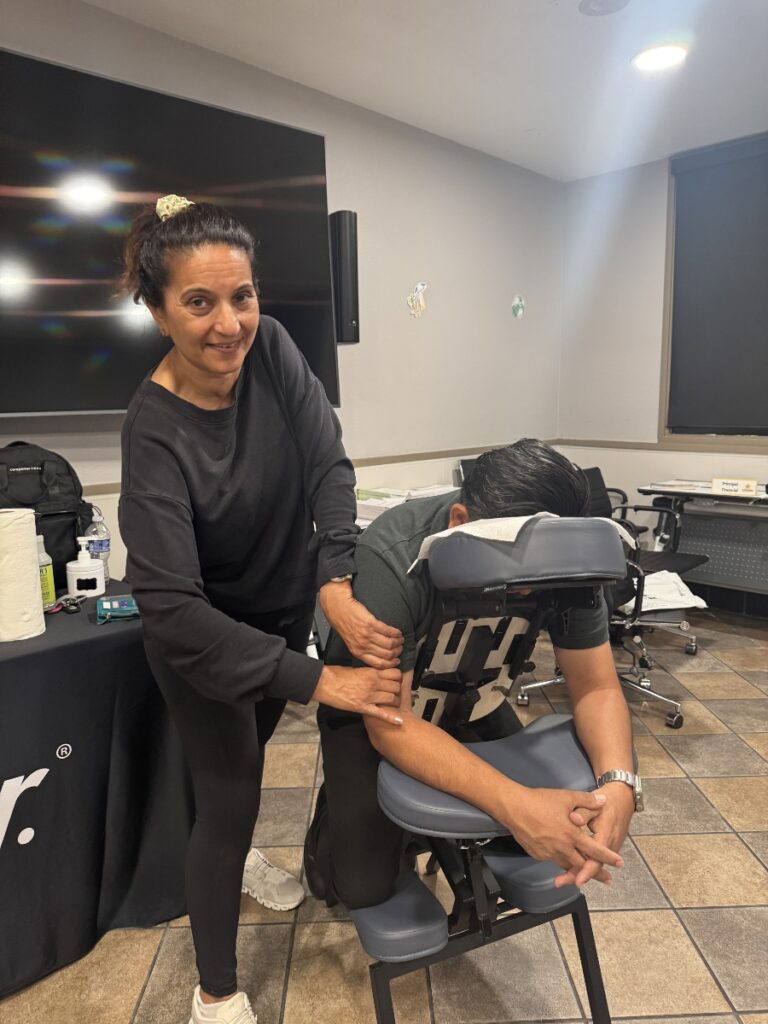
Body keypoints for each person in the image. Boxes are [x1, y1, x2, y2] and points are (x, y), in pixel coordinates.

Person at [118, 195, 404, 1024]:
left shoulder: (272, 349)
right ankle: (214, 994)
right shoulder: (153, 430)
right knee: (233, 795)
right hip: (202, 645)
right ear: (157, 310)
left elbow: (329, 467)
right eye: (199, 302)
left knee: (248, 762)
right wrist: (324, 682)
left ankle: (233, 860)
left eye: (241, 296)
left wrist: (335, 581)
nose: (228, 323)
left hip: (281, 616)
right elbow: (171, 610)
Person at [305, 440, 637, 911]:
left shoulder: (571, 557)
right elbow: (388, 724)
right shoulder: (392, 559)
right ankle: (332, 815)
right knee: (362, 890)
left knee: (533, 840)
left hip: (475, 696)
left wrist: (620, 782)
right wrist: (515, 805)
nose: (526, 587)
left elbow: (596, 685)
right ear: (459, 521)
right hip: (376, 717)